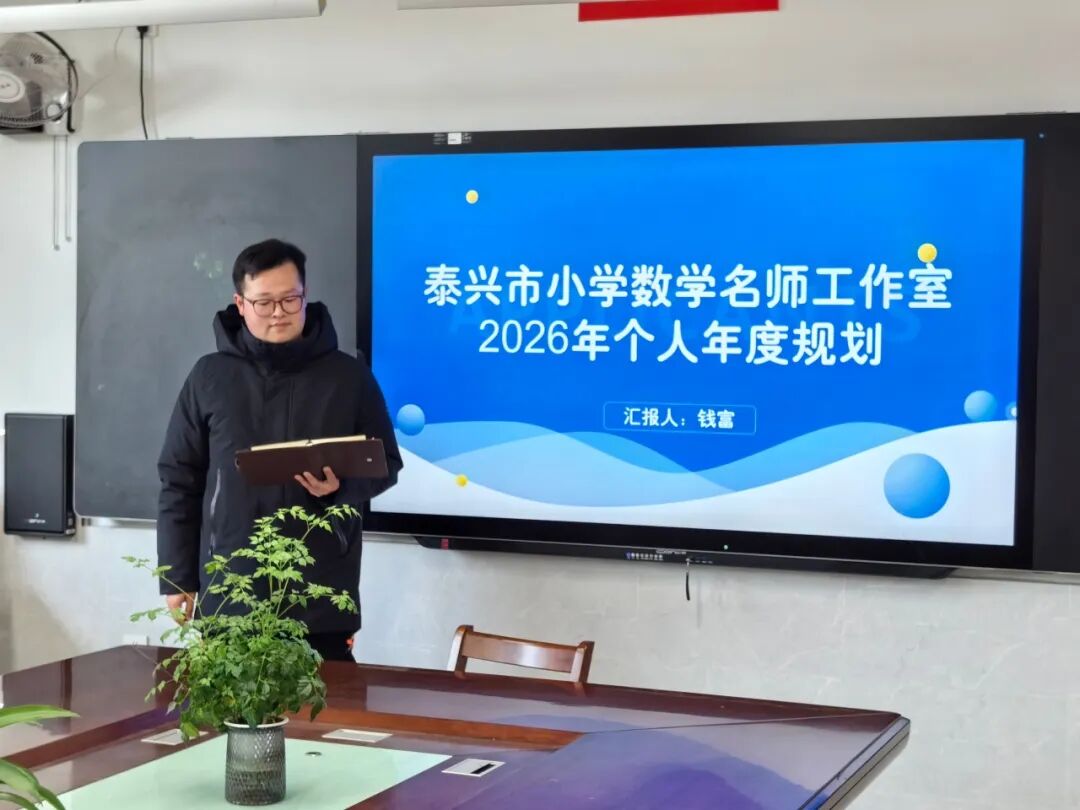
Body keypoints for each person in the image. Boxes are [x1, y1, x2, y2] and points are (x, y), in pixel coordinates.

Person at [156, 238, 402, 662]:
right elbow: (179, 479)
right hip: (231, 590)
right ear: (240, 304)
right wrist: (177, 578)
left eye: (290, 300)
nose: (279, 313)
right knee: (230, 703)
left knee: (327, 704)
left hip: (321, 592)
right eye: (264, 302)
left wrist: (339, 488)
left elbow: (386, 464)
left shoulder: (348, 376)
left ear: (305, 295)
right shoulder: (210, 377)